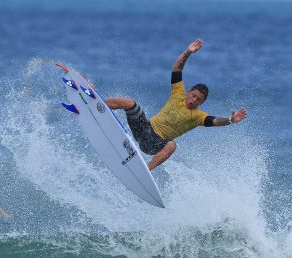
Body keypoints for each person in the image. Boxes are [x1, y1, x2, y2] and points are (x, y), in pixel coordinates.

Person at [105, 39, 247, 171]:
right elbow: (177, 69)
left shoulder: (198, 116)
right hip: (143, 129)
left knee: (172, 145)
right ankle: (96, 104)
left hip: (155, 144)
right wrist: (188, 52)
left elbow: (215, 121)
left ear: (202, 102)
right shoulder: (178, 92)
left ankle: (145, 170)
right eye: (193, 96)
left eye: (198, 100)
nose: (193, 100)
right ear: (189, 92)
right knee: (129, 103)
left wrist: (230, 120)